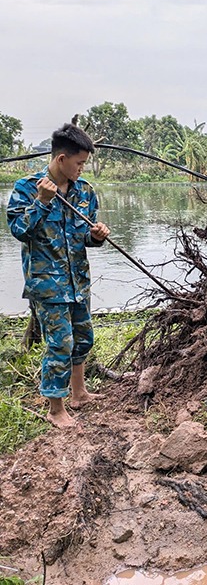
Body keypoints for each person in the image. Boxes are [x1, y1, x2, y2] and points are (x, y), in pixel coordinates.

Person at [6, 123, 109, 429]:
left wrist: (98, 235)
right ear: (61, 159)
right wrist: (42, 202)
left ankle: (79, 393)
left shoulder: (84, 191)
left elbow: (84, 237)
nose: (81, 169)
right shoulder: (27, 188)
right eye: (78, 163)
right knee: (59, 344)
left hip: (78, 280)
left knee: (83, 338)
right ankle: (55, 409)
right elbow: (19, 231)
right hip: (47, 284)